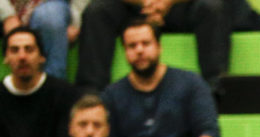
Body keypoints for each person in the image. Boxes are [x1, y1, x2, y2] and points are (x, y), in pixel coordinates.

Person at [75, 0, 232, 94]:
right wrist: (146, 2)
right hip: (135, 5)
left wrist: (166, 2)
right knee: (97, 11)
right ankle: (91, 95)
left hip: (179, 5)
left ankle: (215, 90)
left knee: (212, 7)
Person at [0, 1, 87, 80]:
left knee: (51, 17)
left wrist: (76, 21)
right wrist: (7, 16)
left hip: (50, 6)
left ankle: (53, 86)